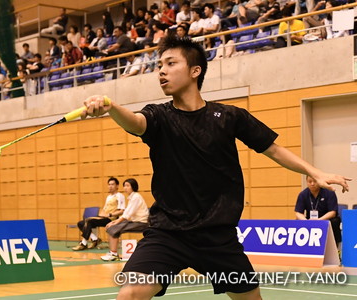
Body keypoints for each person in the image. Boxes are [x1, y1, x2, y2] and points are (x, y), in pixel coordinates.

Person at [82, 35, 351, 299]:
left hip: (217, 237)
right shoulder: (159, 116)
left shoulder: (229, 117)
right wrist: (111, 107)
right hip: (168, 234)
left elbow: (274, 150)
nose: (161, 71)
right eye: (159, 65)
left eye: (171, 63)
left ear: (194, 71)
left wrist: (314, 172)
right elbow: (136, 122)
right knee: (129, 294)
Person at [101, 178, 149, 261]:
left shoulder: (136, 197)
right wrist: (114, 221)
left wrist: (115, 223)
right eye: (124, 186)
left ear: (133, 187)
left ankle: (114, 254)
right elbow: (126, 213)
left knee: (113, 228)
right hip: (134, 221)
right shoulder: (131, 197)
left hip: (141, 223)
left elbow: (128, 214)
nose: (125, 188)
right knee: (111, 227)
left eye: (127, 186)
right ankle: (113, 252)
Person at [72, 177, 126, 251]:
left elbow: (122, 211)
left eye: (112, 184)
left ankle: (83, 243)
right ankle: (95, 239)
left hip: (112, 219)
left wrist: (110, 214)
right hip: (104, 218)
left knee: (88, 221)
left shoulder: (120, 196)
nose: (110, 186)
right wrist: (100, 215)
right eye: (109, 184)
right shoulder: (108, 197)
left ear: (117, 186)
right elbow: (104, 209)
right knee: (81, 223)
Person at [295, 176, 342, 245]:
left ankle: (336, 246)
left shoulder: (329, 192)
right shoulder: (303, 194)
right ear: (307, 182)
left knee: (335, 221)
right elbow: (298, 213)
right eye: (310, 181)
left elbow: (333, 212)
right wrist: (306, 221)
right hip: (310, 219)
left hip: (326, 219)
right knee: (297, 221)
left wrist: (319, 220)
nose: (312, 184)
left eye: (315, 181)